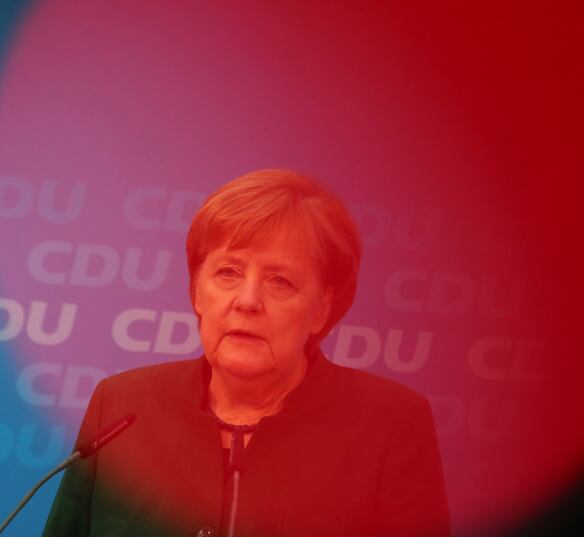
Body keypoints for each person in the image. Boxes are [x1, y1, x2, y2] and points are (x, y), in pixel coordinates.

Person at [42, 169, 450, 537]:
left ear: (321, 309)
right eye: (228, 273)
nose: (248, 300)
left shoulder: (389, 426)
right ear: (196, 291)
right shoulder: (122, 408)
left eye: (280, 281)